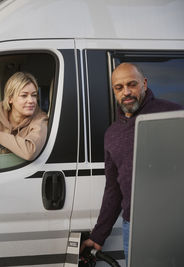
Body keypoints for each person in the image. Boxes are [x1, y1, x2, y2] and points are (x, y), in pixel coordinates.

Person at [80, 63, 183, 263]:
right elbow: (113, 189)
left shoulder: (175, 114)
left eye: (132, 84)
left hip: (173, 224)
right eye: (119, 87)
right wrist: (98, 235)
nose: (126, 92)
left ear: (144, 84)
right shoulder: (112, 134)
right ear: (114, 92)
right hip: (133, 227)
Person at [0, 72, 48, 161]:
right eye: (24, 95)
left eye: (34, 95)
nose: (31, 100)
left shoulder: (40, 120)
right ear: (10, 98)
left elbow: (30, 151)